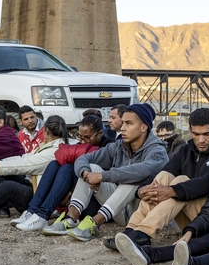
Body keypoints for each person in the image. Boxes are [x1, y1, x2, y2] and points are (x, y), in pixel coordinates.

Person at [106, 108, 209, 251]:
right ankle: (131, 230)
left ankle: (144, 233)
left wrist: (172, 190)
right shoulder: (186, 150)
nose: (201, 140)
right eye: (196, 134)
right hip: (190, 220)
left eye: (207, 134)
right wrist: (142, 189)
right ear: (190, 131)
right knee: (165, 176)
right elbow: (166, 170)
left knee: (180, 180)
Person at [42, 103, 168, 241]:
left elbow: (143, 170)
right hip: (116, 210)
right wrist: (86, 174)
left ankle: (95, 224)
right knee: (92, 167)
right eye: (123, 123)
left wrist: (102, 177)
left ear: (143, 127)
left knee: (132, 178)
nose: (122, 128)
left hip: (139, 213)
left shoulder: (158, 151)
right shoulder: (119, 146)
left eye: (129, 123)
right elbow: (84, 158)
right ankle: (71, 218)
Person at [14, 115, 114, 231]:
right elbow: (60, 157)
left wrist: (71, 192)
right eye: (79, 136)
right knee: (54, 164)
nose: (82, 141)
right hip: (75, 200)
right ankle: (32, 211)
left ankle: (43, 215)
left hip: (96, 202)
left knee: (68, 167)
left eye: (86, 138)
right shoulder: (81, 145)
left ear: (100, 133)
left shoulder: (109, 147)